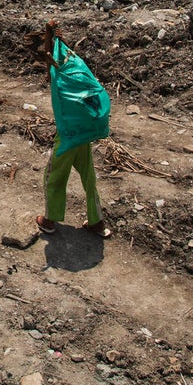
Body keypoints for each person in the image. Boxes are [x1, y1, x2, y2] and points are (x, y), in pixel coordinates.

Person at [33, 21, 111, 238]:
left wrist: (49, 35)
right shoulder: (76, 69)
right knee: (89, 177)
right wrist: (53, 35)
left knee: (54, 176)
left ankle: (49, 220)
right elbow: (53, 55)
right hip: (84, 134)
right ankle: (97, 223)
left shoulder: (59, 79)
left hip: (67, 136)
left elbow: (48, 59)